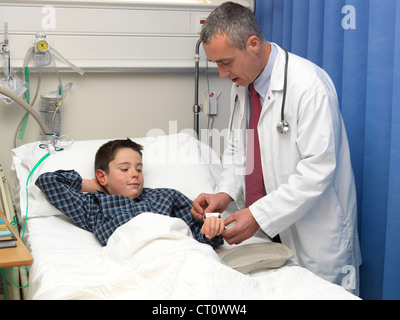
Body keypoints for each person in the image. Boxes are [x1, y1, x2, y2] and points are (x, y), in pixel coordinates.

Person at [190, 2, 361, 294]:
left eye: (226, 62)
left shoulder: (309, 86)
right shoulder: (242, 84)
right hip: (269, 236)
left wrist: (258, 215)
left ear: (253, 44)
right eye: (216, 63)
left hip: (313, 236)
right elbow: (237, 150)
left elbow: (316, 172)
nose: (221, 73)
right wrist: (225, 193)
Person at [35, 138, 224, 249]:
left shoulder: (167, 197)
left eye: (139, 169)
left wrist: (211, 228)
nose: (135, 173)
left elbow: (201, 238)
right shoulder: (94, 206)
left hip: (178, 251)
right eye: (124, 169)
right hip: (133, 260)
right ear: (102, 176)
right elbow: (48, 182)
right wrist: (95, 184)